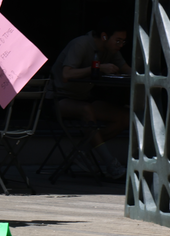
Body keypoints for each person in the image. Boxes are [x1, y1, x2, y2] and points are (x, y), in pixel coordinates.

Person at [50, 17, 131, 177]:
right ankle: (110, 164)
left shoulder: (111, 50)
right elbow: (67, 74)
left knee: (125, 117)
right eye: (118, 41)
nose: (121, 45)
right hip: (58, 98)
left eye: (123, 41)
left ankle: (81, 152)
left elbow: (126, 69)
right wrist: (97, 68)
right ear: (104, 36)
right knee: (86, 109)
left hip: (83, 97)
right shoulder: (81, 44)